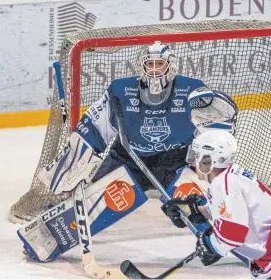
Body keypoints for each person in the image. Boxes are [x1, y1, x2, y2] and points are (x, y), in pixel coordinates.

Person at [17, 41, 238, 262]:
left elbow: (215, 133)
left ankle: (230, 244)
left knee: (197, 203)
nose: (153, 70)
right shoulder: (122, 91)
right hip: (127, 158)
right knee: (89, 203)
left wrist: (201, 162)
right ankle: (45, 239)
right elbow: (95, 127)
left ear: (171, 66)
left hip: (174, 164)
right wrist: (72, 166)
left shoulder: (191, 91)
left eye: (159, 64)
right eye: (149, 64)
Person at [163, 129, 271, 279]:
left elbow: (233, 234)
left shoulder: (224, 183)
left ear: (209, 159)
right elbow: (237, 213)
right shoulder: (230, 176)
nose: (192, 162)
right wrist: (195, 211)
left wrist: (210, 245)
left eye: (196, 156)